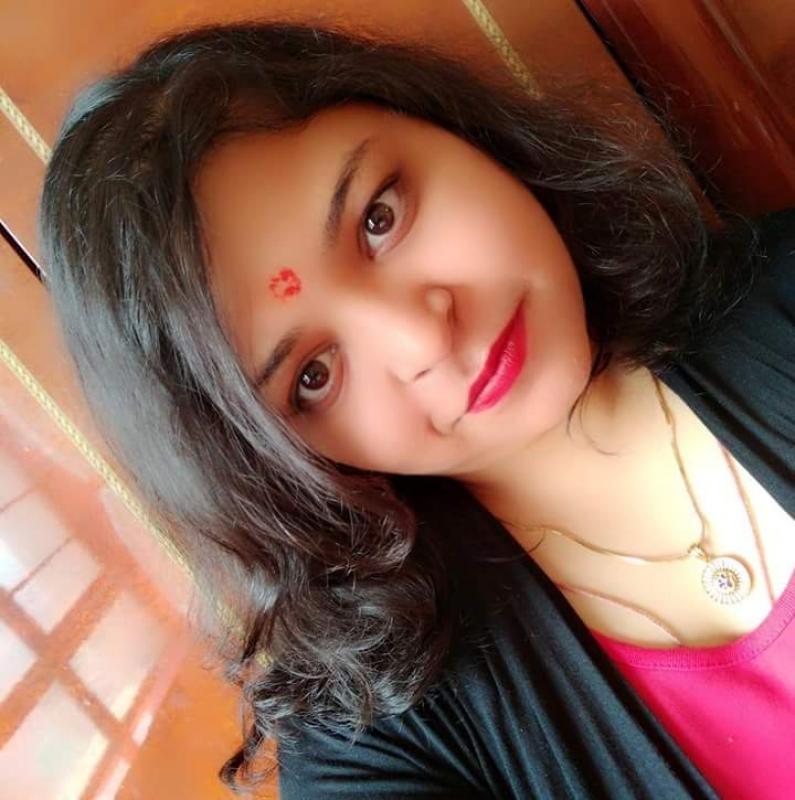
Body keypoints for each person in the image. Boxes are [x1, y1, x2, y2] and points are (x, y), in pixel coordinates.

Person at [38, 20, 794, 800]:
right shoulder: (378, 737)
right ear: (279, 461)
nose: (425, 338)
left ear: (442, 124)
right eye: (313, 375)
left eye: (378, 219)